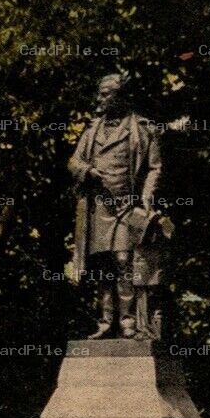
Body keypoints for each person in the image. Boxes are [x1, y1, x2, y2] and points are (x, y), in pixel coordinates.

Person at [68, 71, 170, 339]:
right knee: (102, 264)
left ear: (120, 97)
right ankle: (105, 321)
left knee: (124, 261)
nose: (99, 99)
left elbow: (155, 167)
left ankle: (127, 321)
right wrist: (88, 171)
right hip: (99, 207)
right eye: (100, 94)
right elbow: (74, 162)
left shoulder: (143, 128)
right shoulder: (92, 130)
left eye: (105, 94)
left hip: (127, 206)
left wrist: (147, 197)